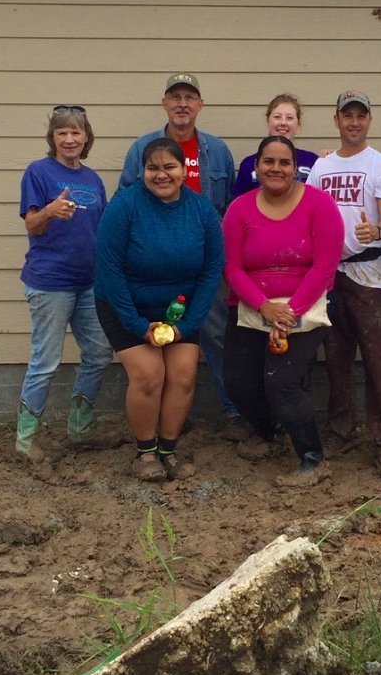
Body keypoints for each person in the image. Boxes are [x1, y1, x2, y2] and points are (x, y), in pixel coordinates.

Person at [96, 138, 224, 481]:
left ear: (184, 171)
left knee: (183, 374)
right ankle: (145, 451)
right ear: (143, 171)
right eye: (153, 167)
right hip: (126, 305)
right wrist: (139, 326)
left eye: (170, 167)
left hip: (179, 311)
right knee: (150, 375)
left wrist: (190, 322)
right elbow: (108, 270)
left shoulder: (202, 210)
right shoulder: (123, 207)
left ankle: (168, 449)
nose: (161, 174)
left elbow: (213, 268)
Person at [118, 74, 240, 433]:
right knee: (159, 337)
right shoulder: (144, 147)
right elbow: (125, 204)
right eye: (175, 97)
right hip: (154, 266)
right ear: (165, 104)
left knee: (217, 336)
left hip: (206, 265)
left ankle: (232, 411)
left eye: (190, 97)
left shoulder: (216, 151)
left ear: (200, 105)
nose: (182, 104)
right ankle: (161, 418)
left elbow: (229, 208)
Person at [222, 136, 344, 486]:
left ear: (296, 168)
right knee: (240, 384)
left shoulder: (319, 205)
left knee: (282, 382)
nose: (276, 168)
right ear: (257, 167)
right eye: (268, 162)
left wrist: (289, 313)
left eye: (284, 162)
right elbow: (232, 269)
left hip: (305, 308)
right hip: (251, 307)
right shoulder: (240, 209)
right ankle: (268, 433)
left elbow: (325, 265)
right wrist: (264, 307)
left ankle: (312, 459)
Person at [306, 90, 381, 476]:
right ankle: (341, 428)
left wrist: (376, 229)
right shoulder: (321, 168)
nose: (354, 122)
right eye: (347, 115)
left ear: (369, 121)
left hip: (370, 274)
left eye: (361, 115)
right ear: (336, 120)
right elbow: (310, 214)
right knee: (336, 355)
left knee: (379, 357)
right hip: (331, 274)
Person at [16, 106, 112, 465]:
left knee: (100, 353)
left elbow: (101, 230)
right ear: (52, 138)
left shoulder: (92, 179)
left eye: (76, 132)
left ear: (86, 137)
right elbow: (31, 225)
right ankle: (26, 440)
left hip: (89, 282)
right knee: (46, 361)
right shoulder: (37, 173)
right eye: (62, 133)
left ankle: (79, 429)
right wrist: (49, 211)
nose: (69, 139)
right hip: (50, 283)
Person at [232, 93, 318, 197]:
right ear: (268, 121)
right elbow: (239, 204)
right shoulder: (249, 164)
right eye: (277, 117)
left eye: (289, 118)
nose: (283, 122)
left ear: (298, 124)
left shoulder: (312, 161)